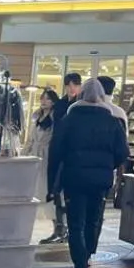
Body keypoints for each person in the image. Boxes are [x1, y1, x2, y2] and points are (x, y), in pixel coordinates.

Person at [51, 78, 128, 268]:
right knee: (94, 219)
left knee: (76, 222)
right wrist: (107, 165)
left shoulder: (70, 120)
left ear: (81, 95)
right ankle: (87, 256)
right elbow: (123, 153)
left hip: (74, 178)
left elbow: (55, 151)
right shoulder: (112, 121)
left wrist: (52, 184)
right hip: (101, 180)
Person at [43, 73, 82, 244]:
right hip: (58, 152)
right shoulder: (60, 105)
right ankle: (59, 228)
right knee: (55, 190)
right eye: (69, 85)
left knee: (70, 193)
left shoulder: (81, 105)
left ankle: (67, 229)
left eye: (75, 85)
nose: (72, 88)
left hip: (74, 155)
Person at [27, 89, 59, 202]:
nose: (44, 101)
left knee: (42, 180)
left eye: (48, 99)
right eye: (43, 98)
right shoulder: (36, 116)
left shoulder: (54, 119)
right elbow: (31, 138)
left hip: (46, 153)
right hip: (34, 152)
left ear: (53, 102)